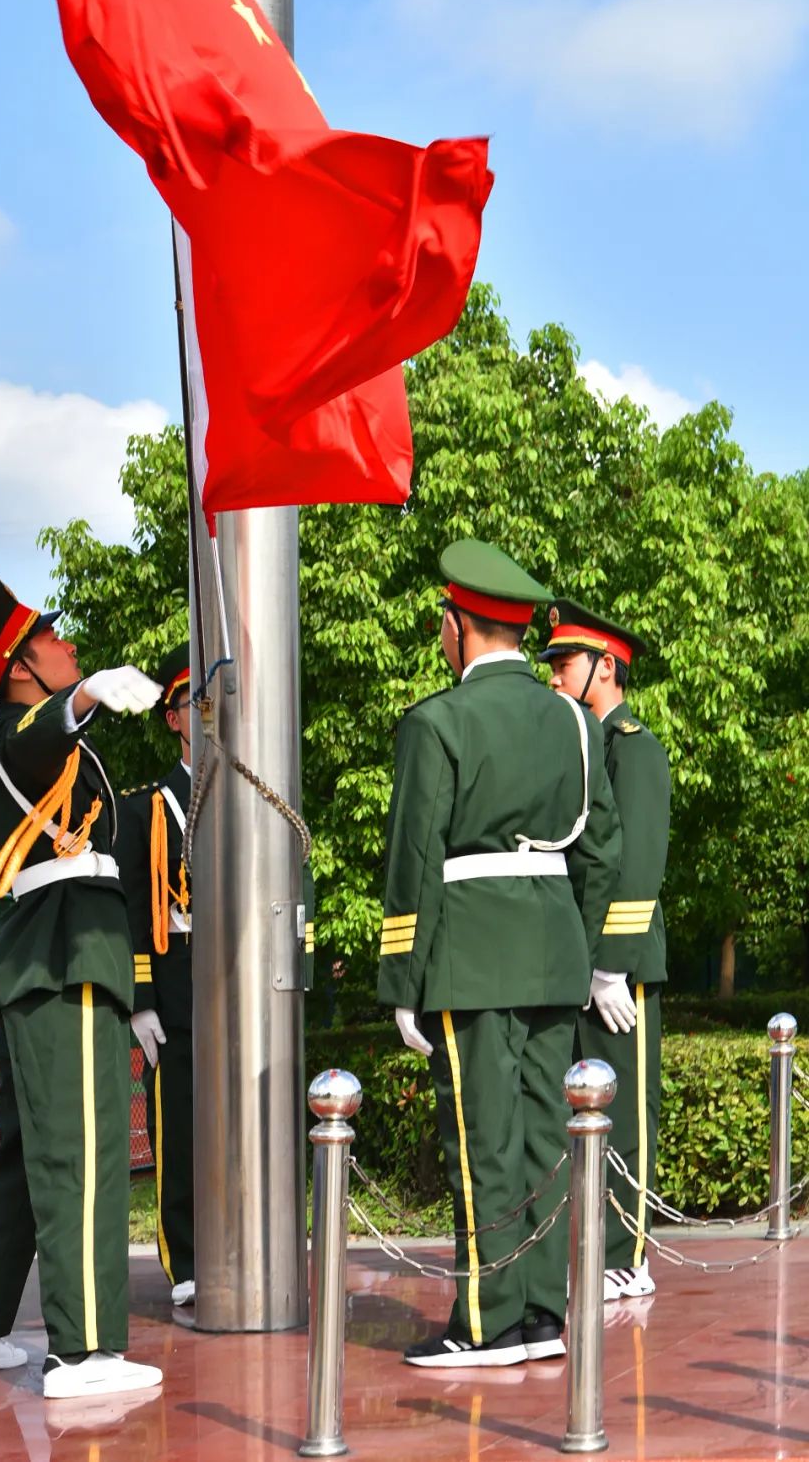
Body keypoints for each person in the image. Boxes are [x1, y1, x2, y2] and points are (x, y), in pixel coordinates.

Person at [378, 539, 622, 1368]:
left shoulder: (437, 720)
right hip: (551, 951)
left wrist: (403, 981)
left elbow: (414, 861)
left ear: (456, 626)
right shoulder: (573, 723)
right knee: (546, 1142)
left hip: (470, 954)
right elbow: (600, 852)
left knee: (482, 1140)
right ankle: (541, 1317)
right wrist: (579, 951)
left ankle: (486, 1321)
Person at [0, 577, 164, 1399]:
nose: (70, 646)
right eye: (56, 641)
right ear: (23, 664)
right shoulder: (16, 735)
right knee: (85, 1151)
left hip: (64, 954)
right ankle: (86, 1348)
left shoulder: (59, 743)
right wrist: (91, 692)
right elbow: (39, 732)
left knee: (29, 1154)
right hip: (63, 955)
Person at [540, 600, 670, 1303]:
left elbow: (638, 860)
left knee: (623, 1111)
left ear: (606, 667)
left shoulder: (635, 747)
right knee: (578, 1114)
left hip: (622, 967)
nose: (556, 678)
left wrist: (612, 961)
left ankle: (628, 1251)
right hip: (576, 961)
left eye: (566, 665)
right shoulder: (581, 747)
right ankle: (590, 1245)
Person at [117, 641, 195, 1309]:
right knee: (182, 1122)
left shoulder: (259, 788)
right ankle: (188, 1258)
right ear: (172, 718)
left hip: (248, 976)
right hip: (178, 978)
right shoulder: (148, 808)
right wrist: (142, 997)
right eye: (190, 702)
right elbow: (134, 911)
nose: (205, 711)